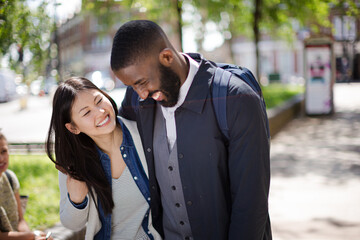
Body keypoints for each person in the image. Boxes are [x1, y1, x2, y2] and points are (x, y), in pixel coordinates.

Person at [110, 20, 272, 240]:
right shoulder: (136, 101)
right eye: (133, 87)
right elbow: (113, 147)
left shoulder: (236, 98)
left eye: (142, 82)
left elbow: (251, 204)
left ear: (167, 57)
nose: (141, 94)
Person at [45, 77, 161, 239]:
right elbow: (71, 224)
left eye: (99, 100)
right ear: (73, 127)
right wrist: (76, 199)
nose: (100, 112)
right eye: (86, 112)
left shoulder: (143, 135)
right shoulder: (74, 163)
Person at [0, 132, 52, 240]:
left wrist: (35, 237)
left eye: (3, 151)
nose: (1, 158)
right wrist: (31, 236)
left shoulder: (9, 178)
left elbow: (20, 220)